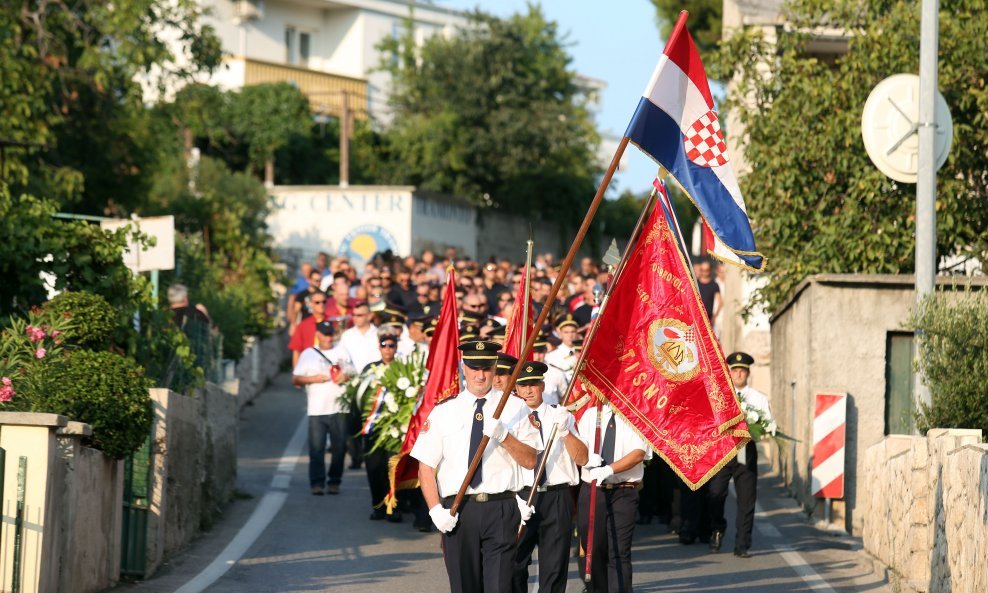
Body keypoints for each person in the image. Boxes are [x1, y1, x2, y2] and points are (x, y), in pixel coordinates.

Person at [411, 341, 540, 593]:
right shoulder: (444, 411)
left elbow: (530, 460)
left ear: (494, 369)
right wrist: (435, 509)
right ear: (464, 367)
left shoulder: (514, 408)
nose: (480, 375)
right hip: (459, 509)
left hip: (501, 508)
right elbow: (425, 466)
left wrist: (505, 436)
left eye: (486, 368)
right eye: (474, 368)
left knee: (500, 587)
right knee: (464, 586)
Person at [511, 362, 588, 593]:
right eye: (523, 386)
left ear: (542, 385)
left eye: (533, 384)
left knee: (554, 568)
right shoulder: (510, 419)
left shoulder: (561, 415)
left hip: (556, 496)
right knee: (514, 564)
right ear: (516, 387)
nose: (528, 391)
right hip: (521, 497)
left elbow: (582, 458)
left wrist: (565, 431)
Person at [577, 405, 651, 593]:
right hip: (593, 489)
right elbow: (579, 450)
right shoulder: (590, 415)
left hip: (623, 491)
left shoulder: (638, 415)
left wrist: (609, 469)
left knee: (619, 552)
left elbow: (638, 454)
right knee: (593, 549)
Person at [706, 351, 773, 558]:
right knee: (715, 493)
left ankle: (742, 544)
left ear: (748, 373)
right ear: (729, 372)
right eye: (735, 371)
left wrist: (756, 430)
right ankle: (717, 527)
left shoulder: (759, 399)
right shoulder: (719, 396)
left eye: (742, 371)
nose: (739, 374)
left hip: (745, 450)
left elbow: (769, 427)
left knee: (746, 499)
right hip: (723, 450)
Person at [291, 321, 354, 495]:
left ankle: (334, 481)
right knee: (316, 448)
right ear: (318, 334)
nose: (328, 337)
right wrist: (313, 379)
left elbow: (353, 372)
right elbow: (295, 379)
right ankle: (317, 483)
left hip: (340, 407)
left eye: (331, 334)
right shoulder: (308, 354)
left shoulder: (341, 351)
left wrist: (345, 375)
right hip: (317, 409)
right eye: (325, 334)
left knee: (339, 448)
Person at [363, 331, 403, 522]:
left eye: (391, 345)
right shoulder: (369, 370)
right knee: (374, 469)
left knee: (393, 469)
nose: (388, 349)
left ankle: (393, 508)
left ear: (396, 348)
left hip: (394, 429)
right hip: (373, 428)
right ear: (379, 348)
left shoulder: (404, 370)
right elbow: (361, 398)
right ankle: (377, 506)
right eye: (384, 345)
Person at [543, 314, 580, 406]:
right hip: (563, 399)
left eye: (573, 332)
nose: (570, 335)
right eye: (566, 332)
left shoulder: (585, 352)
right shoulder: (551, 356)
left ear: (577, 332)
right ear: (559, 332)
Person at [288, 291, 329, 367]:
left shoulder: (331, 321)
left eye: (324, 301)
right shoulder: (303, 325)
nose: (321, 304)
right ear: (311, 304)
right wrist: (296, 373)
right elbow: (296, 350)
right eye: (317, 302)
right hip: (309, 365)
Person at [340, 301, 381, 373]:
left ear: (369, 316)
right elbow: (342, 359)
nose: (355, 318)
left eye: (359, 315)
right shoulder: (347, 336)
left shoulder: (379, 334)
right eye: (353, 315)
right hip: (354, 379)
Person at [694, 259, 722, 324]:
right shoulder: (695, 284)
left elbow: (720, 302)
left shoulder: (714, 285)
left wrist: (714, 317)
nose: (704, 272)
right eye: (702, 270)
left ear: (710, 270)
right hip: (696, 317)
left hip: (708, 319)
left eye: (706, 270)